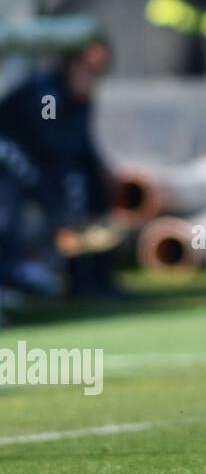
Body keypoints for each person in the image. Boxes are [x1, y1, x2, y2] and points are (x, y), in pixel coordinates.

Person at [0, 38, 118, 297]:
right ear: (69, 65)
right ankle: (9, 277)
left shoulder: (80, 98)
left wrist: (102, 173)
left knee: (93, 186)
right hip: (14, 162)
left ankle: (96, 279)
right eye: (86, 68)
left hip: (45, 167)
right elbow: (50, 145)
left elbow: (83, 145)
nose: (92, 76)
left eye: (97, 71)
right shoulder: (46, 96)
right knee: (62, 191)